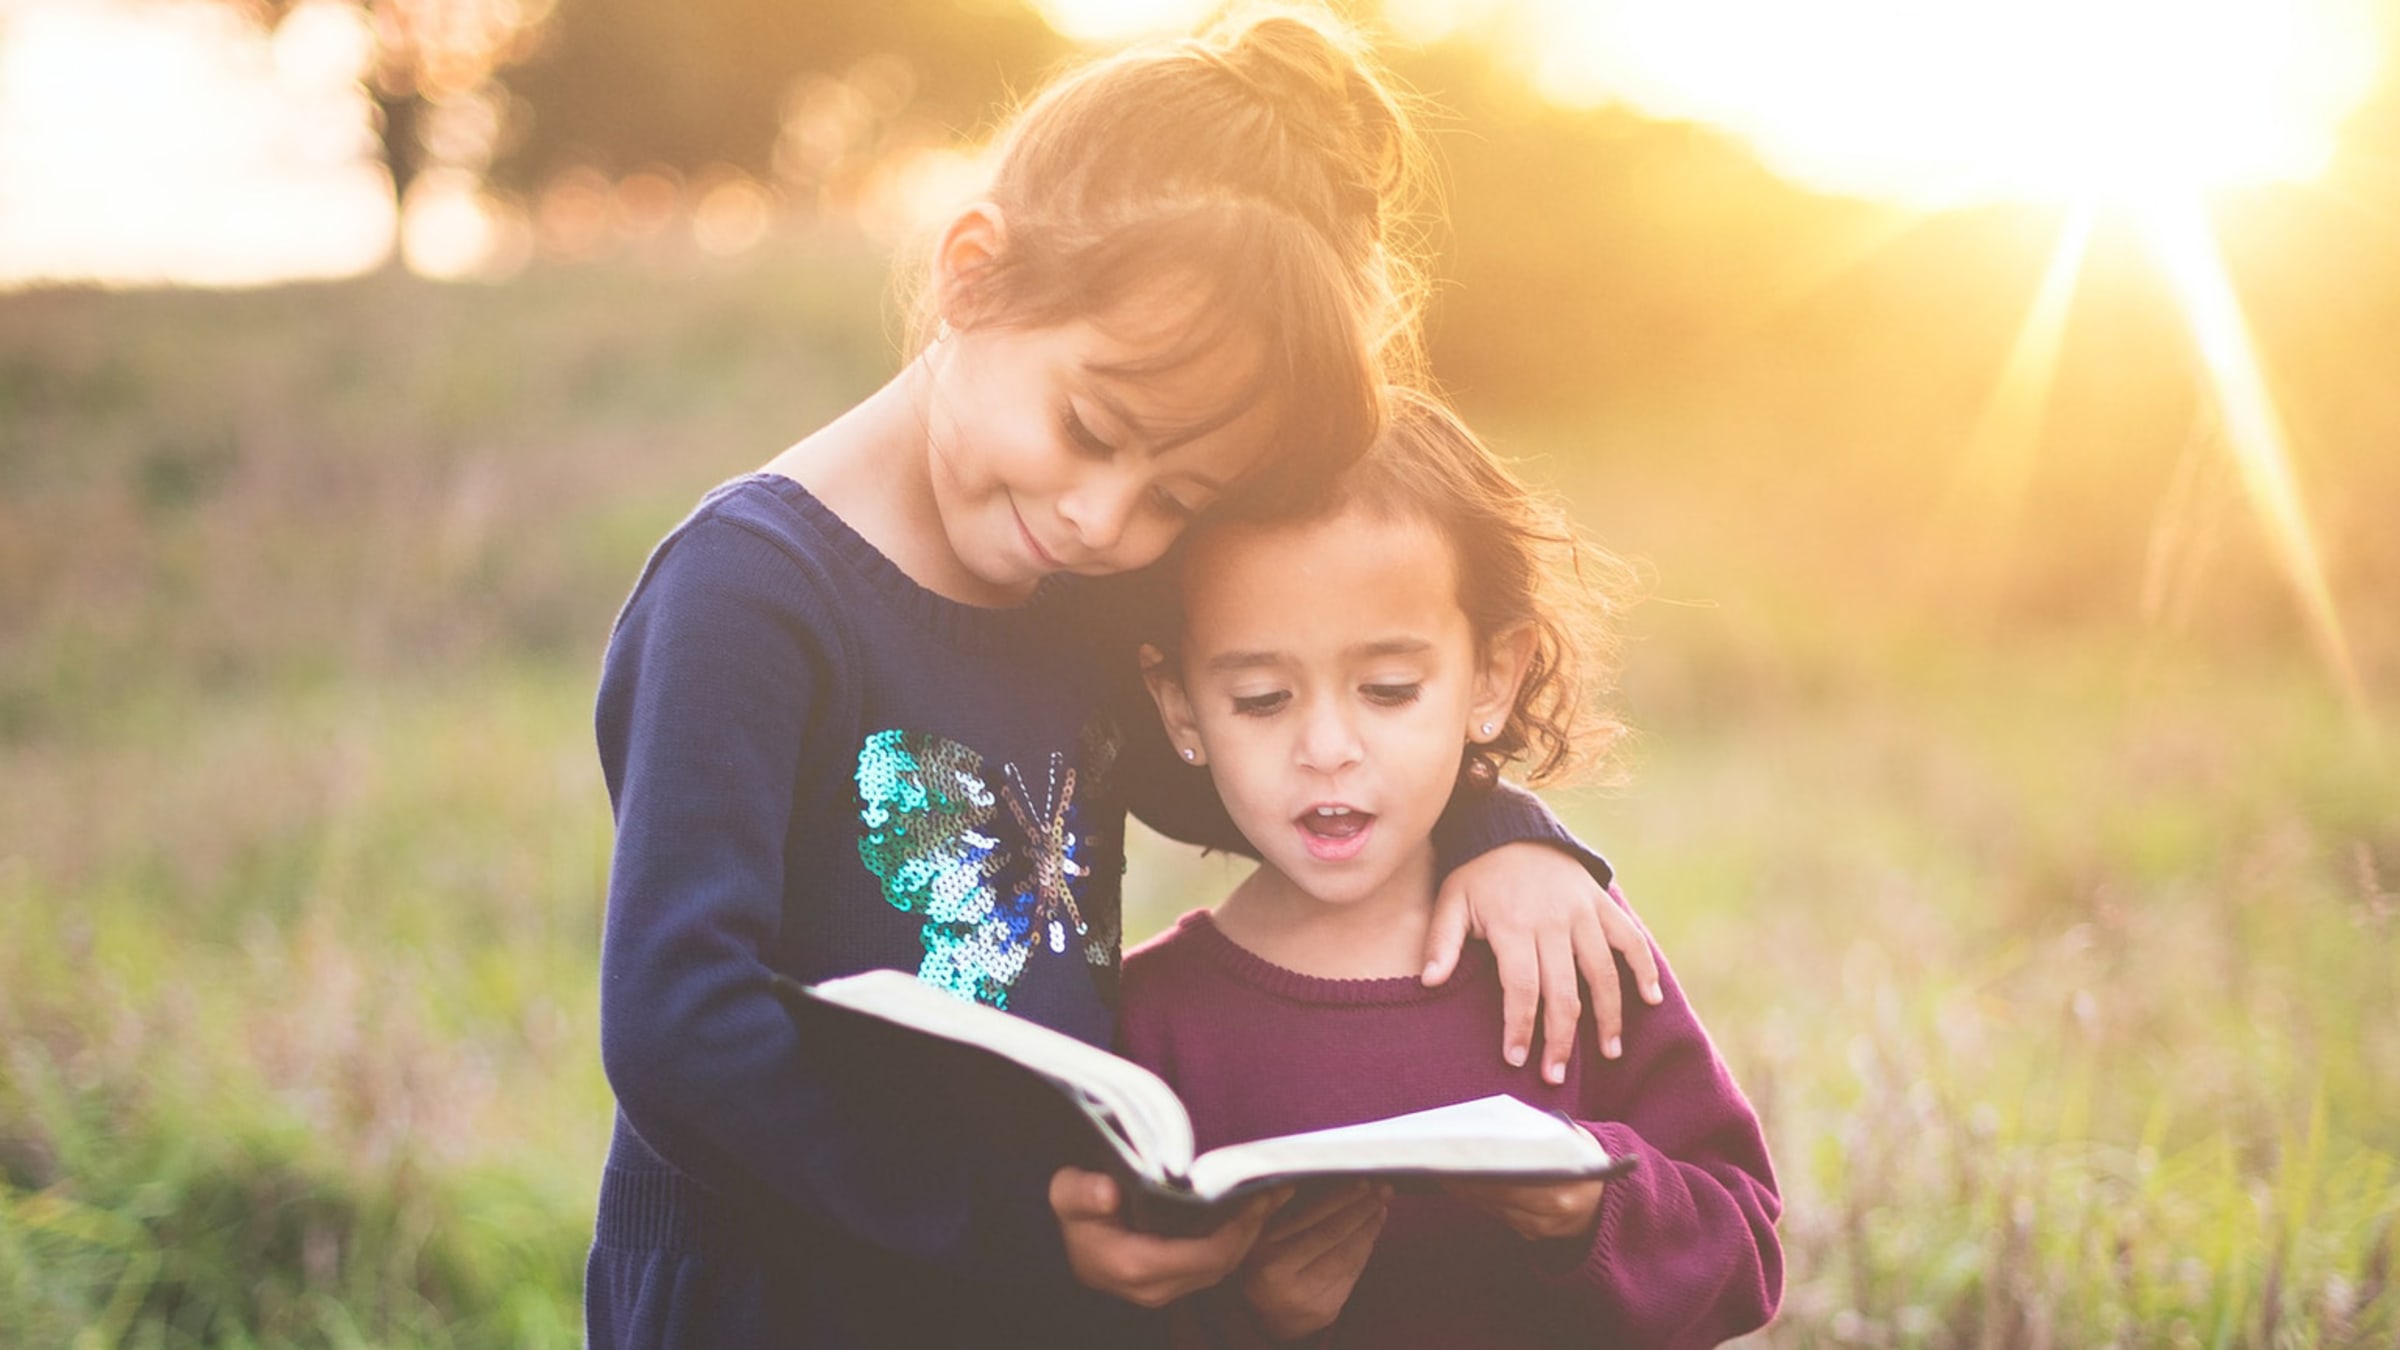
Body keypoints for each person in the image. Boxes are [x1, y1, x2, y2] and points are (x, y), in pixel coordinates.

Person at [582, 11, 1662, 1347]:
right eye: (1090, 428)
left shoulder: (1074, 596)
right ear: (974, 272)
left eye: (1178, 494)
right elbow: (681, 1025)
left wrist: (1506, 833)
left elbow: (1275, 784)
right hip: (777, 1286)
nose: (1105, 519)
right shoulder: (751, 595)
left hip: (1027, 1289)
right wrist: (1015, 1224)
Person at [1123, 390, 1783, 1348]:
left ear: (1492, 679)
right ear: (1181, 707)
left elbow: (1746, 1248)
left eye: (1388, 690)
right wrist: (1248, 1316)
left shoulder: (1560, 938)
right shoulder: (1153, 1019)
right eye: (1261, 699)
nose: (1326, 746)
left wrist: (1588, 1201)